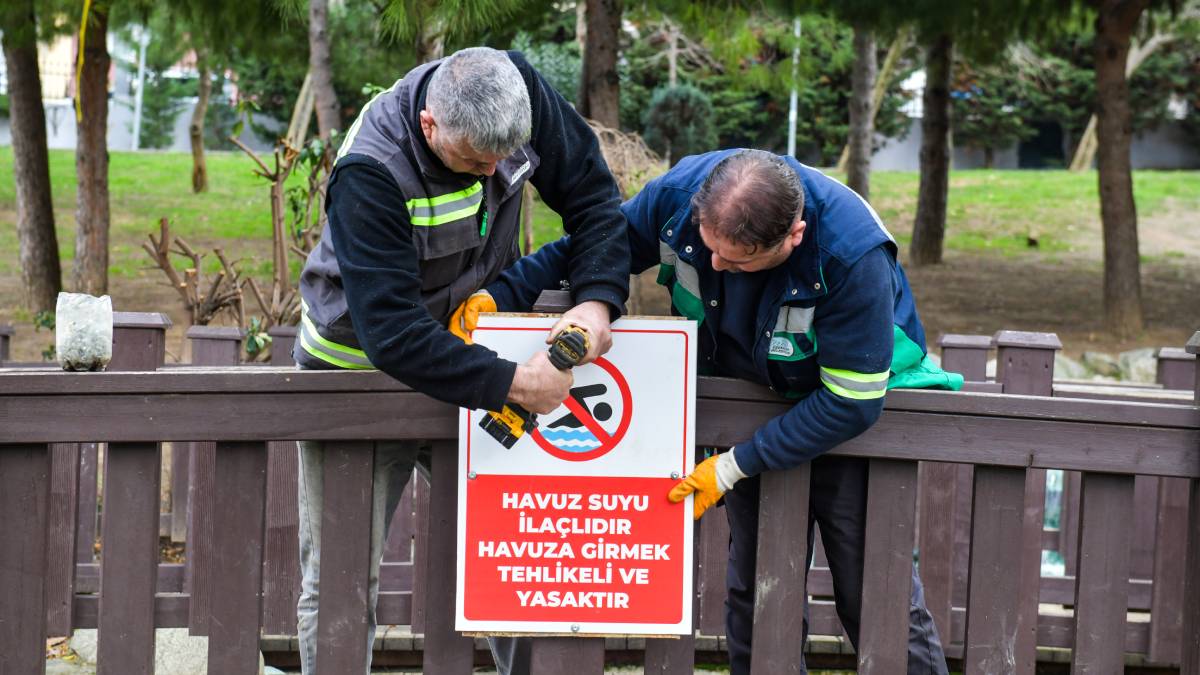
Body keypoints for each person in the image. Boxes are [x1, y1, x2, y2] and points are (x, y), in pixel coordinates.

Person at [478, 149, 962, 674]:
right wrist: (499, 295)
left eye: (737, 261)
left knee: (871, 592)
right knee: (757, 590)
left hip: (848, 415)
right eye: (708, 248)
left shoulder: (851, 254)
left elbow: (850, 402)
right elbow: (594, 248)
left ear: (793, 236)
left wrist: (733, 465)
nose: (715, 266)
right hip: (749, 402)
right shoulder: (675, 200)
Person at [293, 47, 630, 675]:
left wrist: (598, 302)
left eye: (504, 158)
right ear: (430, 126)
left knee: (519, 552)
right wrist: (515, 382)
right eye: (476, 160)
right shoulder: (372, 170)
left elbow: (591, 195)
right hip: (359, 373)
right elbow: (391, 332)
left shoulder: (513, 92)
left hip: (476, 359)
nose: (492, 172)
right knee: (342, 575)